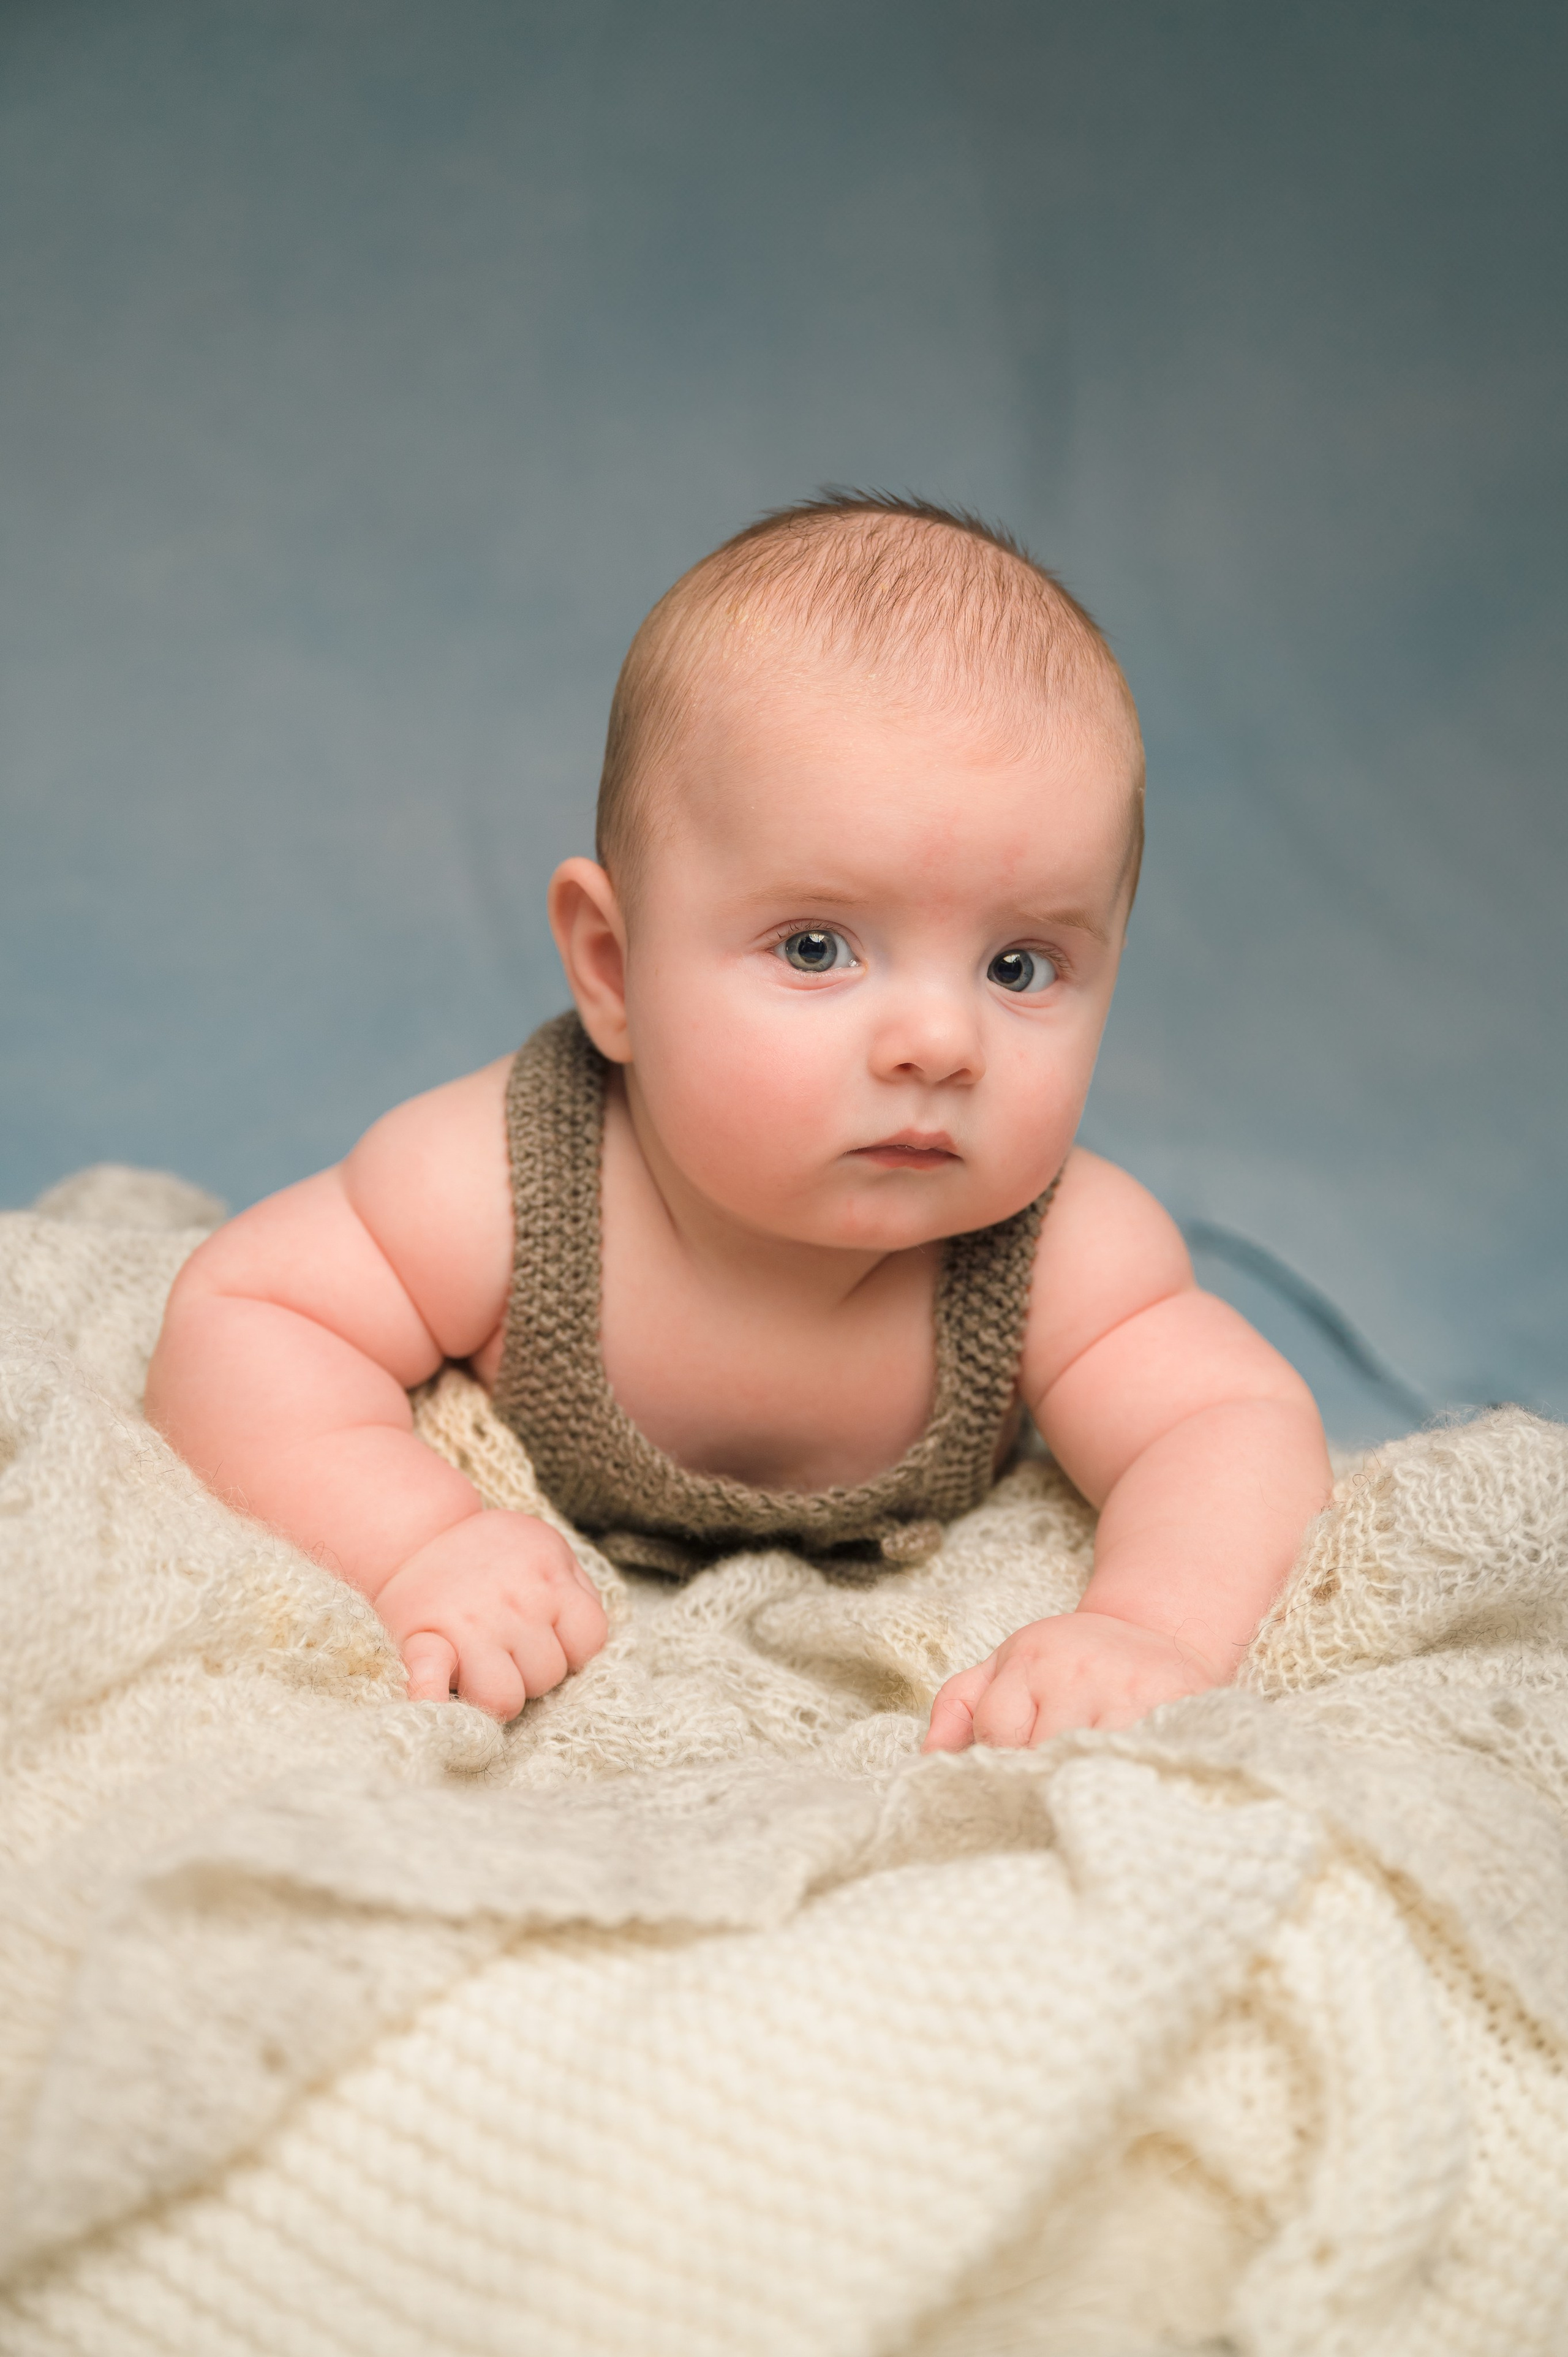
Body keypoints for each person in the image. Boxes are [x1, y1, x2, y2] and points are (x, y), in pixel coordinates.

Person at [145, 494, 1332, 1749]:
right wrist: (419, 1541)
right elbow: (243, 1320)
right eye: (816, 947)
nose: (938, 1041)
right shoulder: (501, 1181)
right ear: (611, 967)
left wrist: (1148, 1629)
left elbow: (1226, 1426)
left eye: (1020, 967)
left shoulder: (1058, 1247)